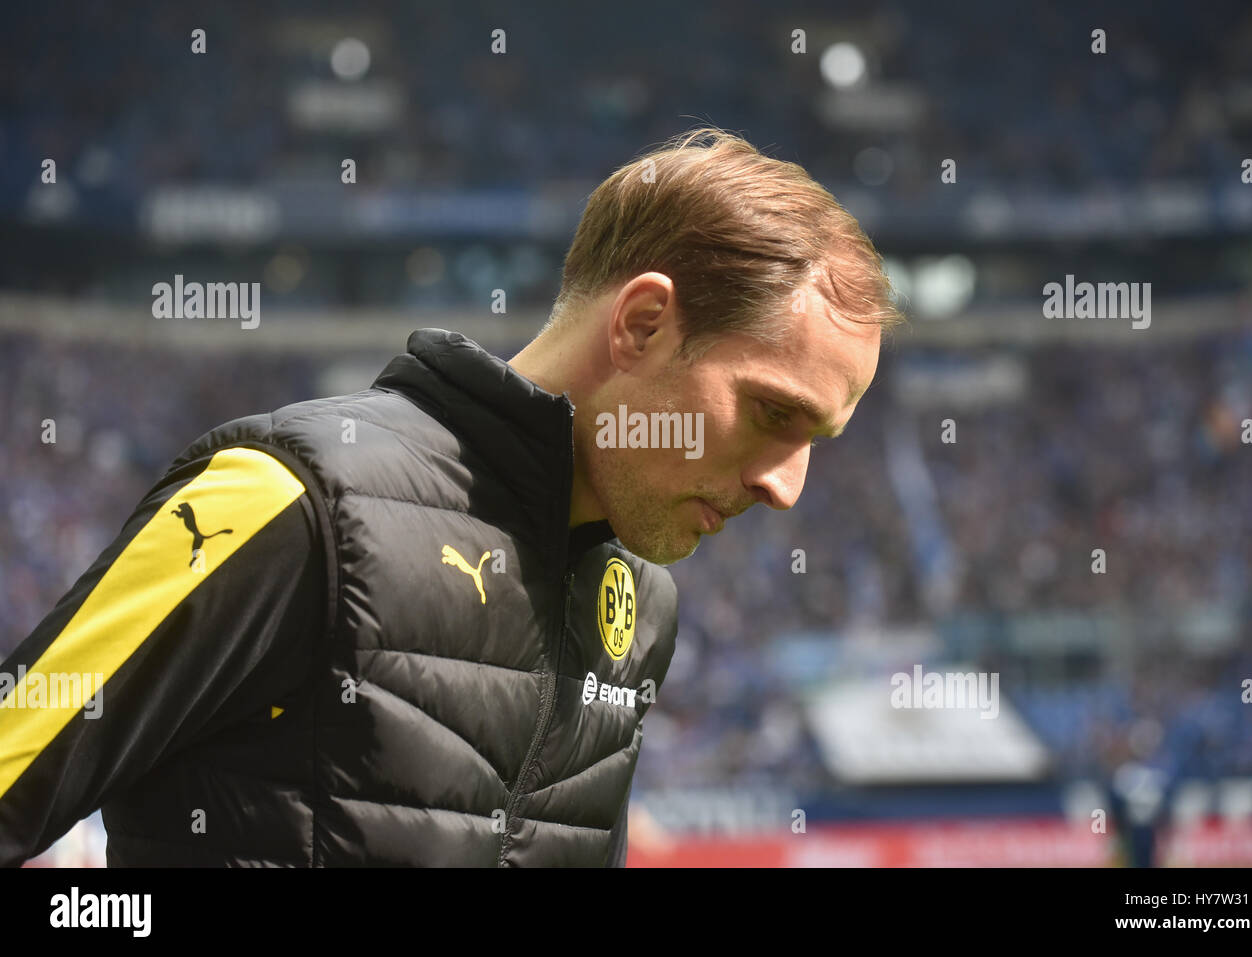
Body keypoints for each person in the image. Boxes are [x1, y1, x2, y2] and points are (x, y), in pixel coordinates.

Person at [0, 127, 901, 867]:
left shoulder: (642, 609)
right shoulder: (290, 504)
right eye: (772, 412)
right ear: (641, 323)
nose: (785, 487)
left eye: (815, 442)